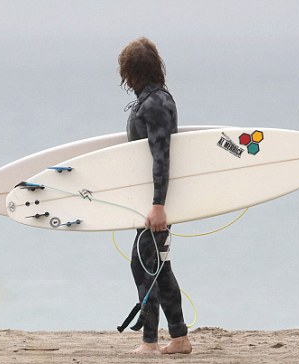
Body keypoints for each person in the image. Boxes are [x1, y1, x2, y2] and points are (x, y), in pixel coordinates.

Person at [118, 37, 192, 355]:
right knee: (157, 266)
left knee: (145, 263)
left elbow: (162, 155)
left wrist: (158, 205)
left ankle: (151, 342)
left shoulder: (156, 103)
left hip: (156, 201)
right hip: (148, 200)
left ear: (131, 71)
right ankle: (179, 338)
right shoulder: (148, 100)